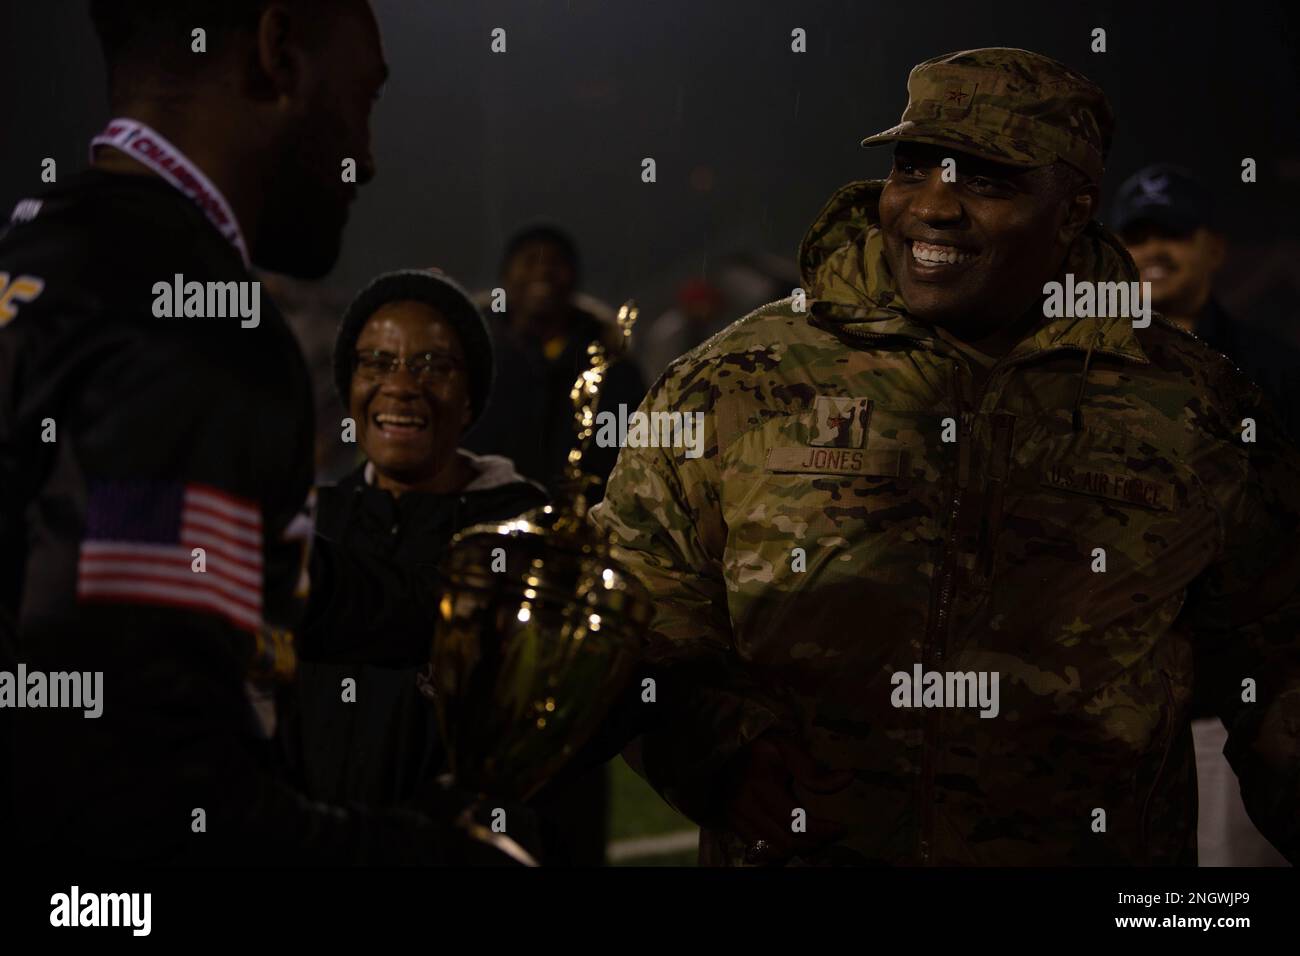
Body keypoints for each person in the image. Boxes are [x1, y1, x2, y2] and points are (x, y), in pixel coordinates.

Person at [591, 48, 1300, 866]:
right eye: (914, 167)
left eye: (986, 180)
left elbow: (1281, 655)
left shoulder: (1195, 407)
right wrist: (712, 747)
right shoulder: (737, 381)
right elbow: (632, 599)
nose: (934, 206)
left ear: (1073, 210)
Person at [1, 0, 515, 864]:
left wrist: (457, 609)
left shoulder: (39, 250)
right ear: (279, 54)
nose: (369, 156)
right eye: (364, 97)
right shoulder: (198, 324)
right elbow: (152, 804)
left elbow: (216, 563)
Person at [283, 268, 547, 808]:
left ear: (470, 398)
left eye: (433, 365)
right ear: (349, 387)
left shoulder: (526, 526)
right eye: (376, 363)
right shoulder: (314, 519)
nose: (401, 385)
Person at [1114, 165, 1296, 866]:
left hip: (1241, 708)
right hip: (1117, 710)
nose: (1155, 250)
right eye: (1138, 234)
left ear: (1214, 247)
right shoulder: (1079, 369)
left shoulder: (1273, 371)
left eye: (1175, 233)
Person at [465, 224, 646, 502]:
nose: (543, 271)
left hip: (586, 531)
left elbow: (640, 456)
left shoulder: (615, 366)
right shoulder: (469, 359)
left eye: (555, 263)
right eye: (528, 261)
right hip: (479, 524)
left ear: (575, 279)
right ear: (505, 276)